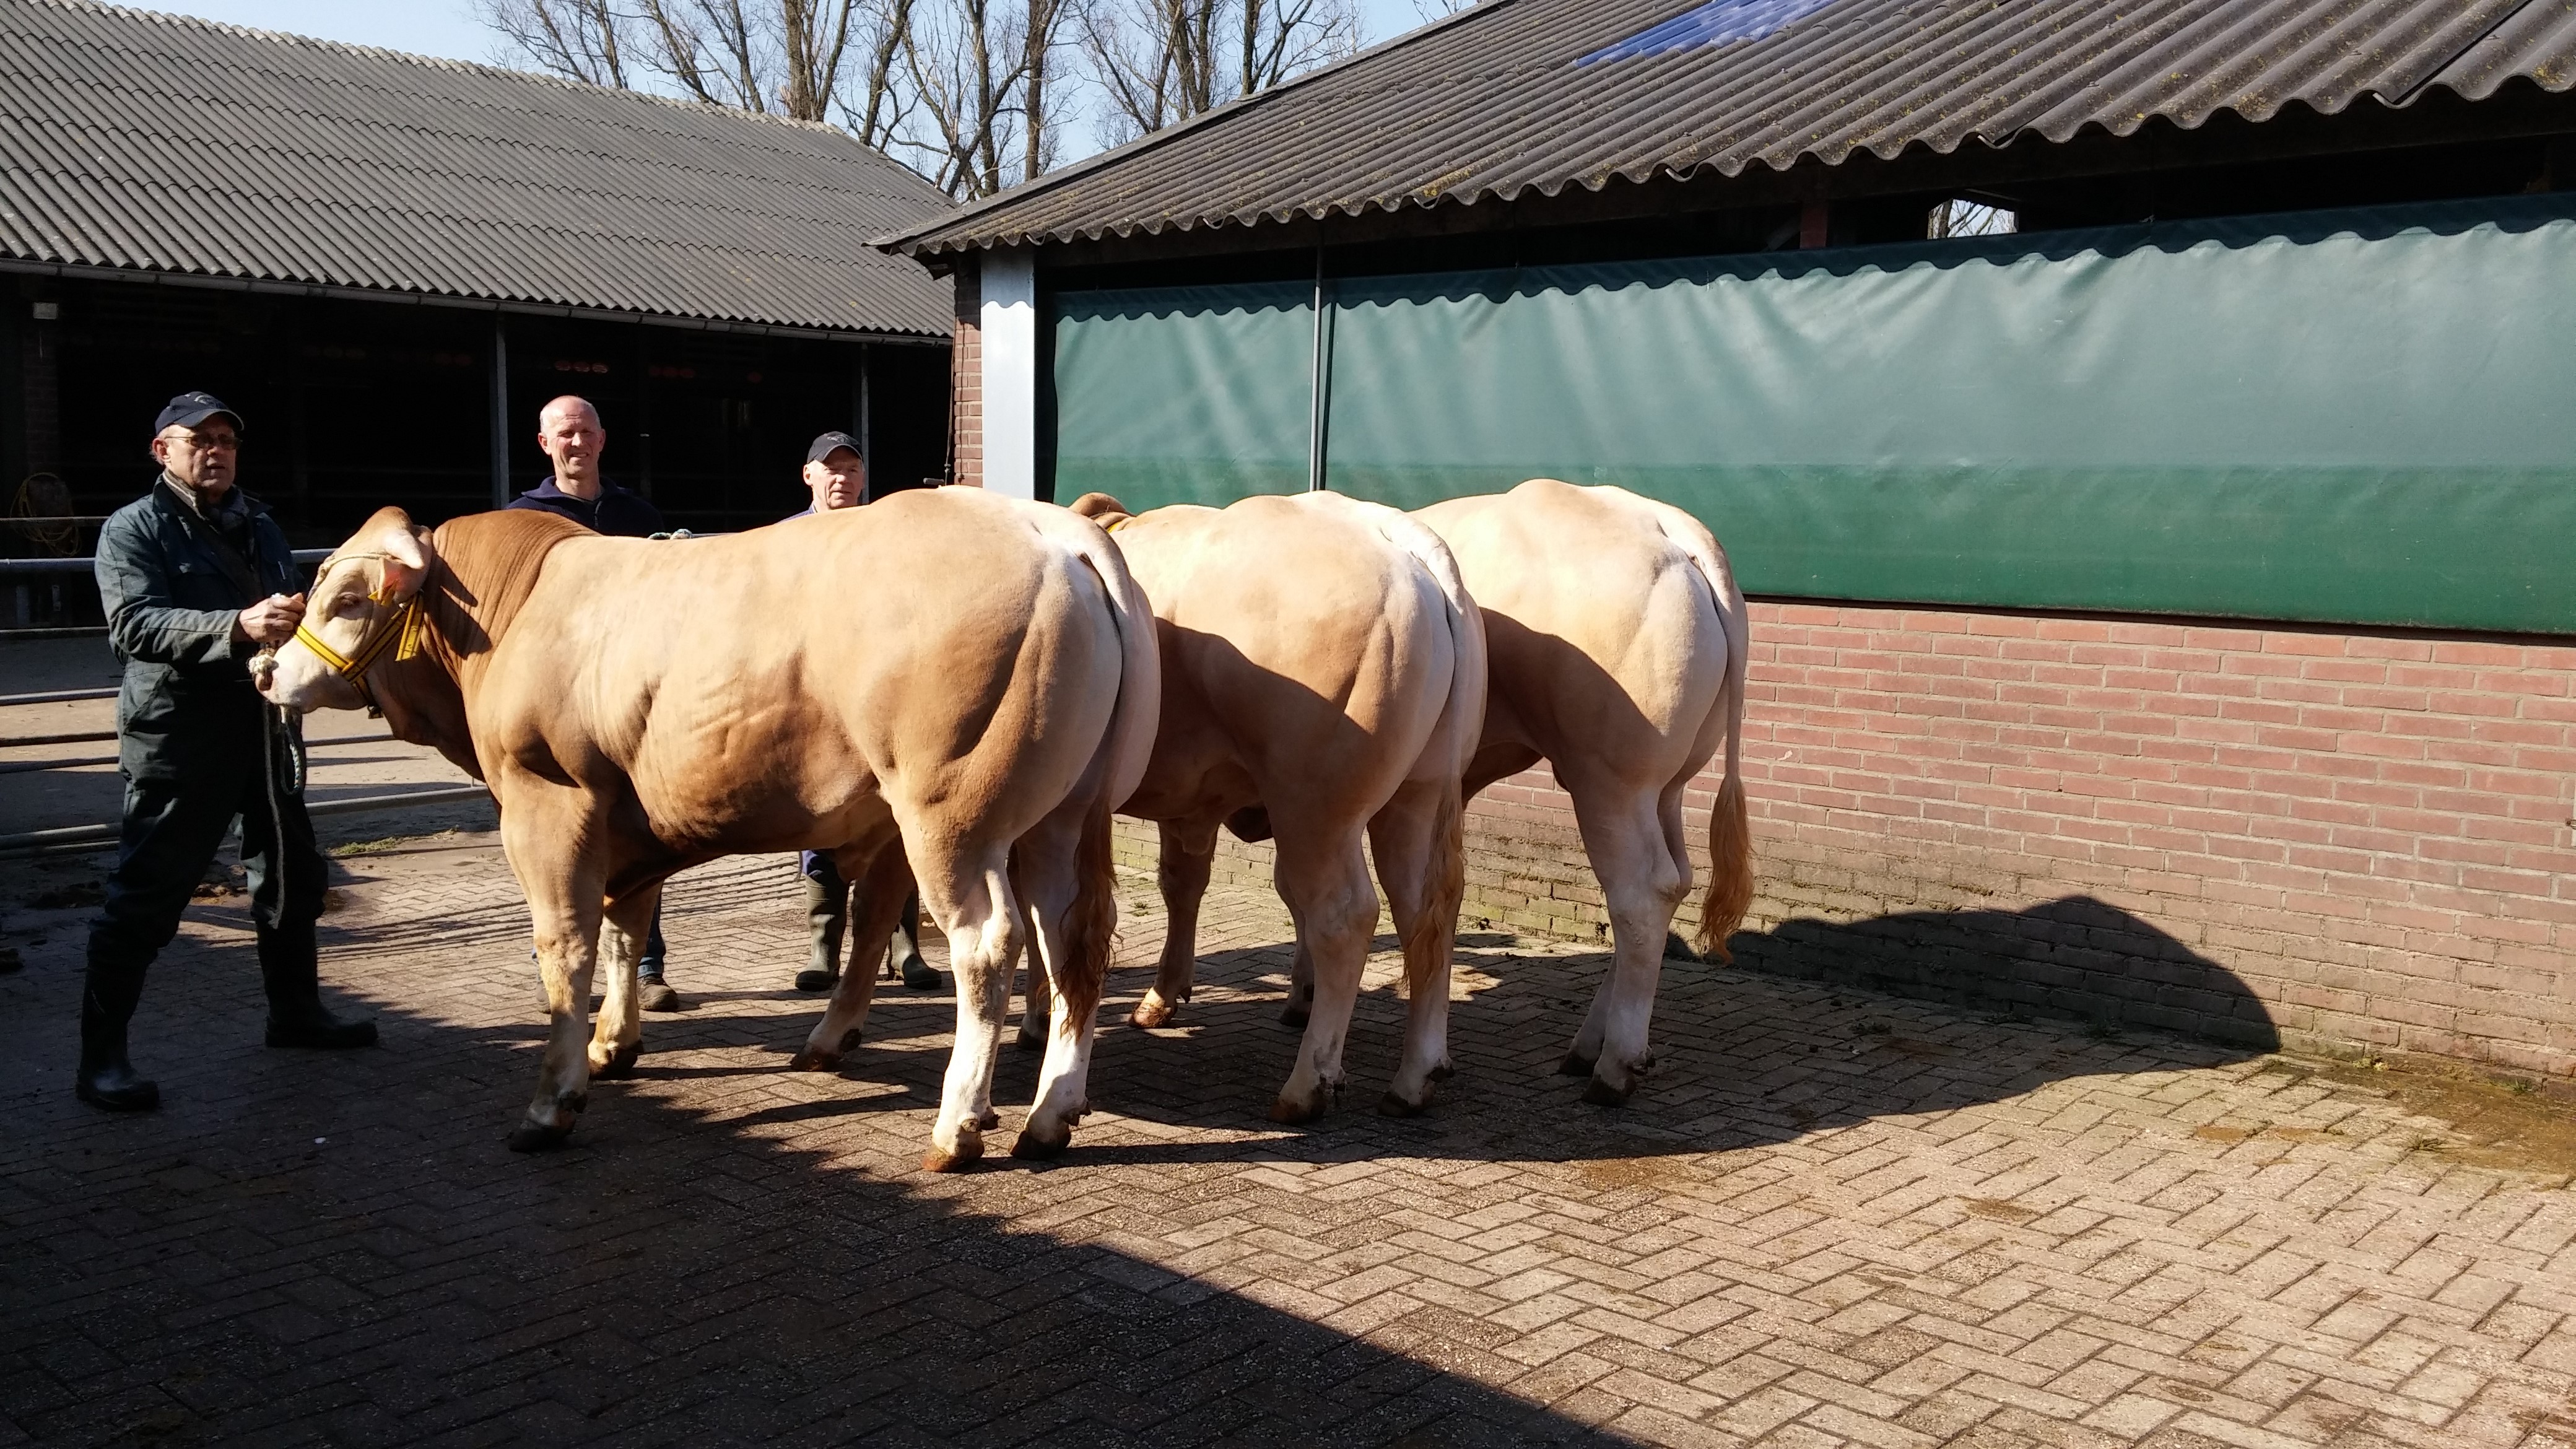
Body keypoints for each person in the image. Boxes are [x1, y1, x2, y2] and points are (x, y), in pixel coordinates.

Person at [79, 391, 376, 1112]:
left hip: (267, 730)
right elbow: (135, 626)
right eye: (198, 440)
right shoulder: (134, 530)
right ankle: (101, 1059)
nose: (215, 451)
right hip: (182, 737)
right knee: (148, 893)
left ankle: (295, 1014)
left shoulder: (261, 523)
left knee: (292, 877)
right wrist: (238, 625)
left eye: (226, 440)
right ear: (163, 452)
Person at [505, 396, 684, 1012]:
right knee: (559, 835)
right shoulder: (521, 521)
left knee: (643, 831)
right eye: (564, 434)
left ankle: (646, 971)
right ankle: (558, 967)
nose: (576, 443)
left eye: (585, 432)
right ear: (544, 444)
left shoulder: (635, 512)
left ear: (603, 440)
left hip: (628, 705)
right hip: (557, 708)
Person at [786, 430, 936, 994]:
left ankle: (904, 949)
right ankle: (823, 949)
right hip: (809, 701)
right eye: (832, 469)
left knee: (893, 818)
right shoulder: (785, 540)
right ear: (810, 477)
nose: (842, 478)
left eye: (852, 469)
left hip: (877, 700)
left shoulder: (887, 538)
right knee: (819, 820)